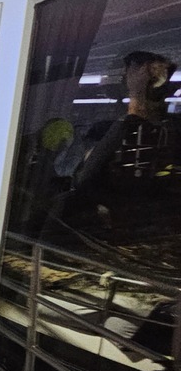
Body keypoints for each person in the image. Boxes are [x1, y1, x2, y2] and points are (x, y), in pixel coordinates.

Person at [64, 50, 179, 240]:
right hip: (155, 227)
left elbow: (83, 180)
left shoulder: (123, 127)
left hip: (121, 227)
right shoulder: (171, 128)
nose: (121, 77)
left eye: (128, 71)